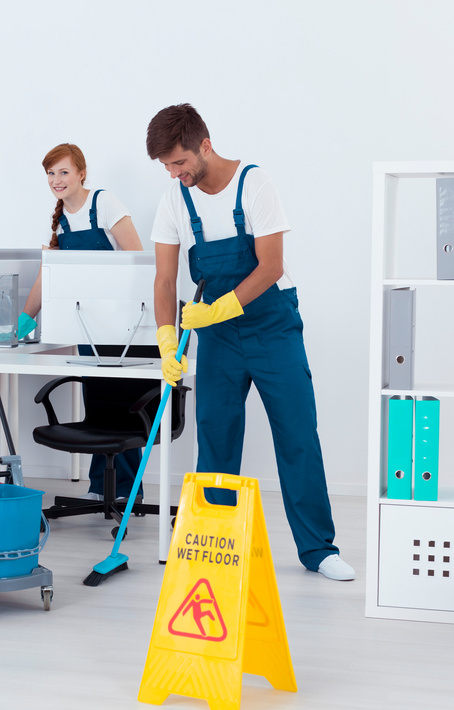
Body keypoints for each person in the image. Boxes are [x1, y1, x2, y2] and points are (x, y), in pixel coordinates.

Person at [145, 105, 354, 581]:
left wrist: (219, 308)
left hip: (272, 326)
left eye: (180, 163)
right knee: (215, 438)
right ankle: (215, 548)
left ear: (205, 145)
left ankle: (318, 550)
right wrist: (165, 337)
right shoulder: (175, 198)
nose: (175, 174)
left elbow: (271, 265)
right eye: (167, 167)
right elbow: (164, 278)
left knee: (297, 434)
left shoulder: (254, 184)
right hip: (218, 338)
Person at [20, 143, 150, 505]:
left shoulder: (104, 204)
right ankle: (101, 487)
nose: (56, 180)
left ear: (81, 173)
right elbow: (49, 275)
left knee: (122, 407)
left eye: (64, 172)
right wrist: (25, 319)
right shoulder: (62, 218)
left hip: (124, 326)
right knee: (98, 406)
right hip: (90, 327)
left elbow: (137, 261)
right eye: (50, 173)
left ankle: (125, 491)